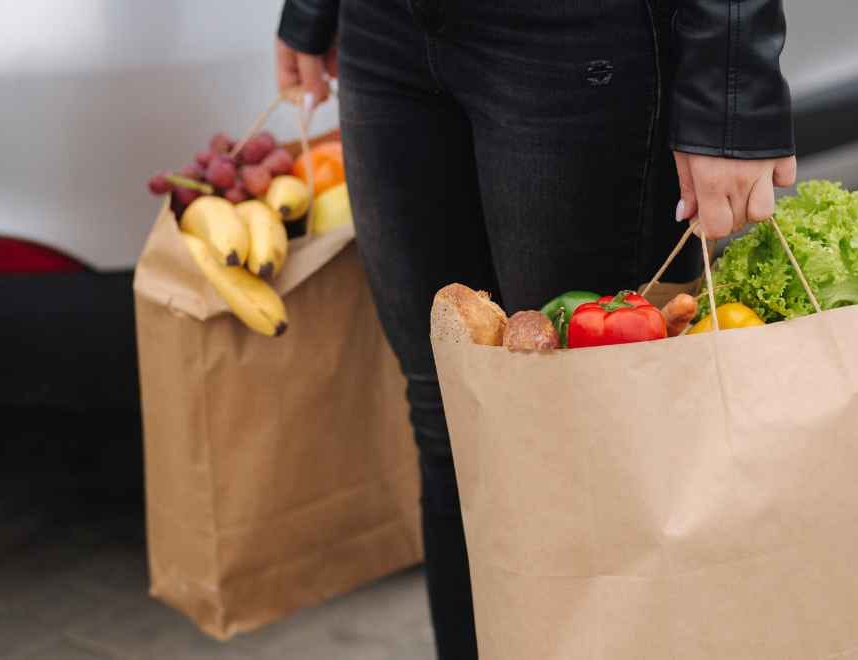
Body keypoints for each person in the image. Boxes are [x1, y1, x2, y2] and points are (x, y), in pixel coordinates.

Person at [275, 1, 796, 656]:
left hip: (571, 40)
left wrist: (731, 88)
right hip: (383, 30)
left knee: (591, 434)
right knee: (448, 415)